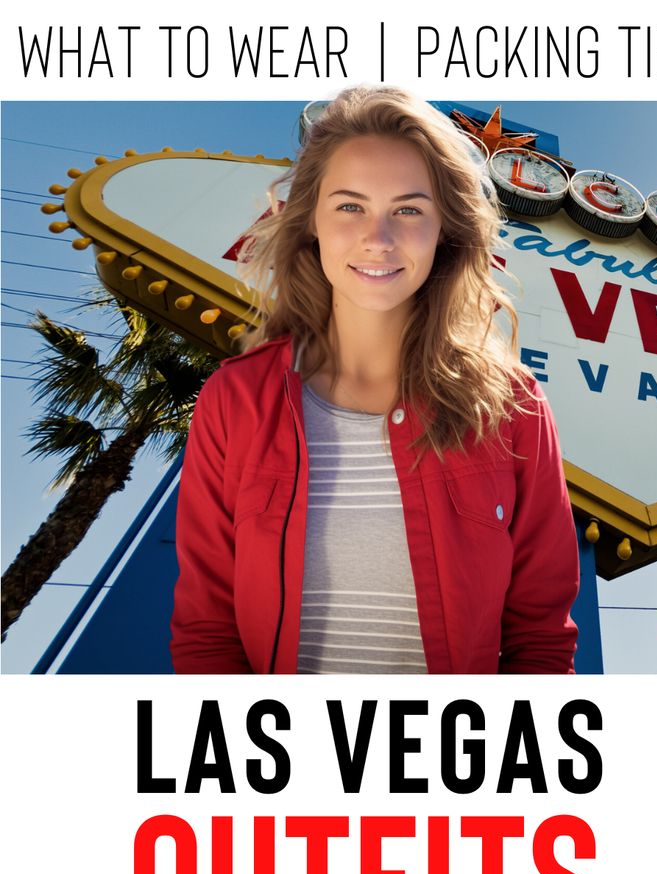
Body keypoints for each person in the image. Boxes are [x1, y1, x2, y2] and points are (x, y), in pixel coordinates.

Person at [170, 87, 579, 674]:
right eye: (349, 205)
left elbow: (539, 640)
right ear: (311, 220)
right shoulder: (234, 401)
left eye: (409, 209)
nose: (378, 238)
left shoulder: (514, 408)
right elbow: (207, 633)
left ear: (447, 230)